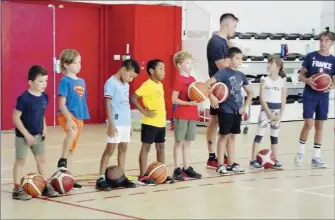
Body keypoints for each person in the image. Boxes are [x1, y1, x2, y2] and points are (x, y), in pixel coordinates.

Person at [12, 65, 59, 200]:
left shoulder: (44, 97)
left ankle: (45, 184)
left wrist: (44, 127)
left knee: (41, 160)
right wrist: (26, 135)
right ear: (30, 82)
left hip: (38, 135)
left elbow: (41, 114)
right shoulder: (24, 98)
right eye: (40, 81)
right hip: (23, 136)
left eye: (45, 81)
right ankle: (17, 189)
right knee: (20, 160)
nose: (44, 84)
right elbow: (15, 118)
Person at [206, 47, 253, 175]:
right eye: (237, 58)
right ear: (229, 59)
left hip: (237, 111)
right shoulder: (223, 73)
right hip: (225, 110)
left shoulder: (241, 75)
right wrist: (212, 96)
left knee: (232, 137)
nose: (240, 61)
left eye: (241, 58)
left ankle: (231, 163)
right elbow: (207, 84)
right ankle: (220, 164)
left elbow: (251, 92)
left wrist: (245, 106)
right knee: (223, 137)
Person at [95, 59, 140, 191]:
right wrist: (111, 124)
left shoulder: (126, 84)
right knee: (110, 149)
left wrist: (130, 123)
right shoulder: (110, 83)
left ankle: (121, 176)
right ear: (123, 70)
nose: (131, 80)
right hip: (115, 122)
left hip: (125, 122)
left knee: (123, 148)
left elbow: (126, 104)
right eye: (131, 76)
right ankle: (101, 177)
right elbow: (107, 104)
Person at [295, 29, 335, 168]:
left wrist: (331, 86)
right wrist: (307, 81)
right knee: (308, 124)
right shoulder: (310, 56)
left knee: (320, 125)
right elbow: (300, 76)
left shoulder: (333, 60)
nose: (323, 43)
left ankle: (316, 156)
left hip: (323, 96)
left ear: (331, 43)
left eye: (326, 41)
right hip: (309, 95)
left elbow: (334, 81)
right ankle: (300, 153)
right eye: (321, 40)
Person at [131, 59, 175, 185]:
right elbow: (134, 97)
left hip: (160, 123)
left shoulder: (159, 85)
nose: (164, 71)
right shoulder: (147, 85)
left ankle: (163, 173)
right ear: (151, 71)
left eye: (164, 69)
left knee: (161, 148)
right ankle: (142, 175)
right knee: (146, 148)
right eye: (160, 68)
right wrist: (143, 112)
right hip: (149, 123)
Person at [206, 13, 239, 169]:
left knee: (225, 124)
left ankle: (224, 156)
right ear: (226, 25)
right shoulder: (216, 43)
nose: (234, 29)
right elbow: (223, 67)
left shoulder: (224, 43)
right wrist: (234, 56)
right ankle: (212, 156)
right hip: (218, 89)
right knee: (215, 121)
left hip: (228, 88)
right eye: (234, 26)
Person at [56, 49, 90, 189]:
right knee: (72, 132)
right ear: (65, 64)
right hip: (67, 115)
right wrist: (69, 118)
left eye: (79, 62)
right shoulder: (64, 81)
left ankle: (67, 176)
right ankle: (62, 161)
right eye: (75, 63)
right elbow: (61, 104)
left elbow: (82, 99)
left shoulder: (82, 81)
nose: (78, 65)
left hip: (79, 116)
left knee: (72, 148)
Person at [249, 56, 287, 169]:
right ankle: (253, 159)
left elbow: (283, 98)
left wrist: (281, 114)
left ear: (278, 67)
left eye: (271, 63)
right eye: (268, 63)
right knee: (259, 134)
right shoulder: (264, 80)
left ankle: (275, 158)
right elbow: (262, 98)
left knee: (274, 136)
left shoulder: (282, 81)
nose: (268, 65)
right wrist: (268, 113)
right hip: (266, 111)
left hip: (277, 111)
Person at [171, 51, 202, 181]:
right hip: (182, 114)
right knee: (179, 141)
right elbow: (174, 99)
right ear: (179, 65)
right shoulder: (179, 79)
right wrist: (188, 103)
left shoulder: (193, 80)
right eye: (187, 62)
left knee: (188, 142)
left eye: (191, 62)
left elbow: (198, 96)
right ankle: (177, 168)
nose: (190, 64)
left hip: (192, 114)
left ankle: (186, 167)